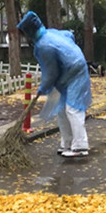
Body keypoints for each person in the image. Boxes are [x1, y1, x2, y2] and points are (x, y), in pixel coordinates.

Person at [17, 11, 92, 158]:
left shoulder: (43, 46)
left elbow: (51, 73)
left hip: (76, 73)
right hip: (66, 75)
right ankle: (67, 143)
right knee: (61, 110)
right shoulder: (50, 33)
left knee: (73, 109)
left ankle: (80, 146)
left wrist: (43, 88)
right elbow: (68, 35)